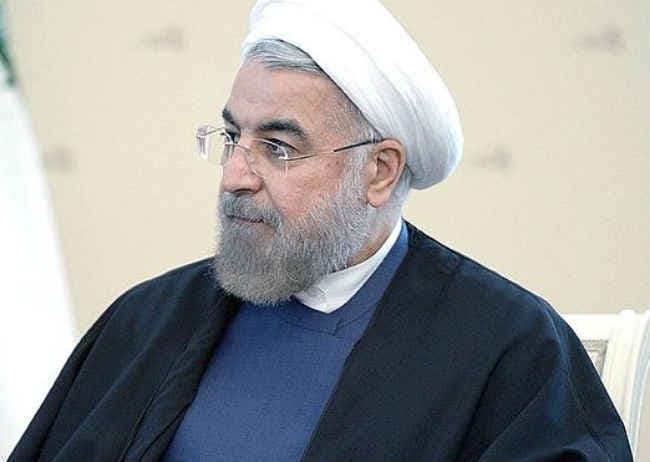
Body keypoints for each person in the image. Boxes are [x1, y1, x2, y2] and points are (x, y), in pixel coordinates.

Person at [9, 0, 633, 461]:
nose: (235, 176)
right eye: (233, 137)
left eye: (278, 148)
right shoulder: (146, 323)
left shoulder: (509, 348)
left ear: (380, 171)